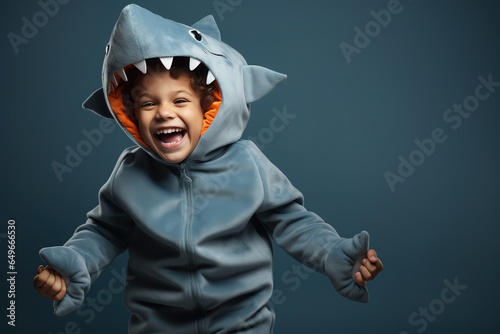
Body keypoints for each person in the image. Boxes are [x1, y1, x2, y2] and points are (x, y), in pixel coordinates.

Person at [34, 5, 383, 333]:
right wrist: (74, 262)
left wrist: (335, 254)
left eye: (180, 100)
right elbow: (104, 232)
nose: (164, 113)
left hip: (242, 323)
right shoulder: (130, 173)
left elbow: (294, 221)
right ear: (130, 116)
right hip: (157, 326)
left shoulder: (249, 164)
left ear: (208, 108)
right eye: (148, 103)